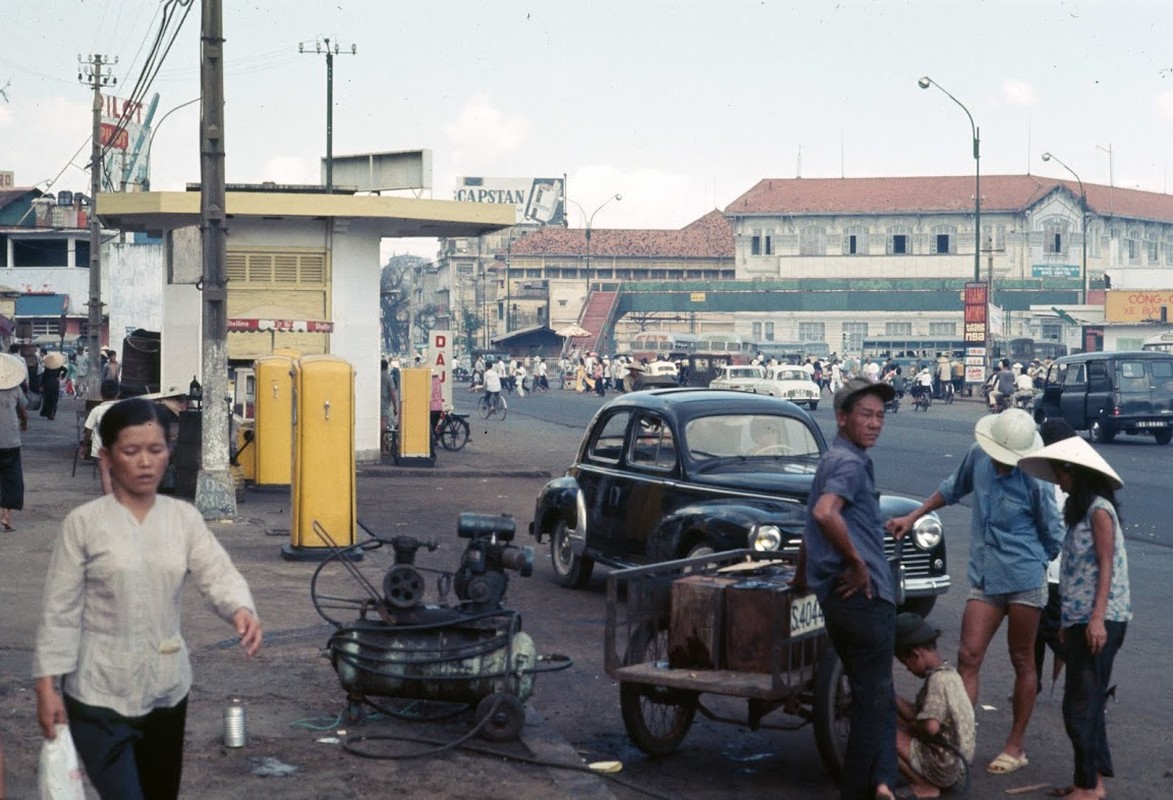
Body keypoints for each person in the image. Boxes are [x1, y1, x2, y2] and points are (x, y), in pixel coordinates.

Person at [33, 398, 263, 799]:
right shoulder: (83, 525)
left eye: (155, 450)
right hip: (98, 692)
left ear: (168, 453)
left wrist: (240, 609)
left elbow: (216, 572)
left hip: (166, 689)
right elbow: (60, 610)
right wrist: (47, 686)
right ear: (106, 456)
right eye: (131, 451)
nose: (145, 462)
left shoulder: (183, 519)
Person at [887, 409, 1063, 776]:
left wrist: (1033, 563)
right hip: (985, 574)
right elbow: (951, 488)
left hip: (1025, 576)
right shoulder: (978, 455)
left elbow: (1052, 533)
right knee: (968, 656)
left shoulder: (1036, 477)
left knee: (1022, 659)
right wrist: (913, 517)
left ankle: (1015, 746)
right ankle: (957, 743)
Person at [794, 377, 898, 800]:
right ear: (841, 418)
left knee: (874, 694)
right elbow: (823, 513)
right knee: (872, 704)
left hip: (838, 598)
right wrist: (857, 563)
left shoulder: (834, 458)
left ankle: (883, 784)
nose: (874, 424)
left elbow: (808, 528)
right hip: (863, 599)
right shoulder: (850, 464)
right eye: (865, 415)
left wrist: (801, 578)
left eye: (880, 416)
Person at [1018, 437, 1131, 800]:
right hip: (1080, 618)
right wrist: (1068, 622)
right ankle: (1091, 781)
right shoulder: (1081, 513)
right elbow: (1073, 572)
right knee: (1088, 701)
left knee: (1080, 703)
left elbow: (1106, 564)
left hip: (1103, 618)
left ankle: (1088, 786)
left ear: (1074, 473)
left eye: (1060, 474)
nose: (1057, 481)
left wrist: (1096, 618)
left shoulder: (1099, 511)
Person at [893, 612, 975, 799]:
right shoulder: (950, 674)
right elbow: (918, 714)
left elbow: (930, 727)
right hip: (958, 765)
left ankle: (925, 786)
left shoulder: (937, 681)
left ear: (915, 655)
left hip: (944, 764)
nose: (908, 669)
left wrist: (908, 727)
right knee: (899, 725)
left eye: (906, 663)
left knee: (884, 733)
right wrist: (894, 699)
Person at [1034, 420, 1078, 694]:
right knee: (1037, 631)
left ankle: (1089, 680)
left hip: (1050, 568)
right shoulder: (1072, 478)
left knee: (1048, 630)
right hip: (1064, 568)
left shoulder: (1051, 482)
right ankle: (1033, 681)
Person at [0, 356, 28, 532]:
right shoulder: (15, 389)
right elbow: (24, 411)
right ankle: (6, 515)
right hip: (11, 441)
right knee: (12, 479)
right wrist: (24, 423)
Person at [83, 379, 122, 494]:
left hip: (100, 451)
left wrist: (85, 445)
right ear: (118, 393)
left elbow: (88, 431)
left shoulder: (96, 410)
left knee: (105, 478)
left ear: (101, 394)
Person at [380, 358, 398, 436]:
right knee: (383, 428)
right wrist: (395, 407)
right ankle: (382, 447)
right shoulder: (388, 378)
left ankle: (382, 446)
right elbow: (393, 394)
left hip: (375, 405)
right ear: (387, 367)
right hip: (384, 406)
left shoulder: (376, 377)